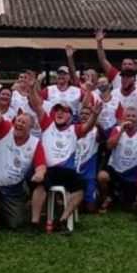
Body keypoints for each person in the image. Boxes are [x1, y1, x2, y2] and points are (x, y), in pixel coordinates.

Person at [26, 77, 102, 235]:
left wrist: (94, 115)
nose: (59, 112)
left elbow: (88, 128)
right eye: (57, 110)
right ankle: (34, 224)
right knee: (41, 184)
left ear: (70, 116)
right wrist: (32, 89)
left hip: (67, 172)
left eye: (64, 110)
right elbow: (37, 106)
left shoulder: (75, 129)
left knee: (80, 186)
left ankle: (63, 220)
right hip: (48, 170)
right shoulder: (47, 124)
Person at [0, 105, 47, 234]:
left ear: (30, 128)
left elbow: (41, 165)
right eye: (18, 121)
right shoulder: (5, 130)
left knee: (16, 223)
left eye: (23, 122)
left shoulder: (35, 143)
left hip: (12, 189)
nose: (19, 124)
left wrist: (40, 173)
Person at [97, 106, 137, 213]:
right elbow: (109, 146)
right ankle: (106, 198)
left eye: (134, 116)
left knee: (127, 206)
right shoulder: (117, 129)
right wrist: (121, 132)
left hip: (132, 174)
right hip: (115, 169)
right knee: (102, 176)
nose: (131, 118)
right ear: (124, 118)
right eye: (128, 116)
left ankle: (123, 200)